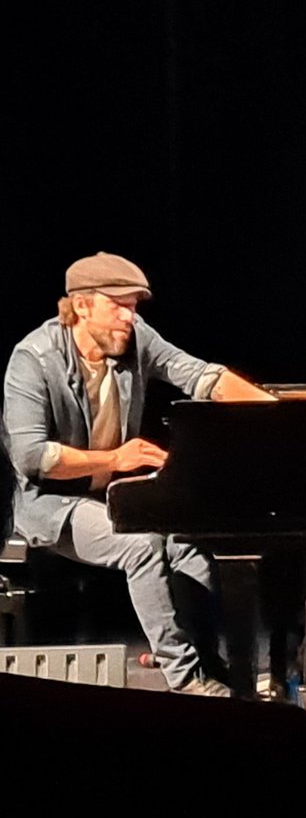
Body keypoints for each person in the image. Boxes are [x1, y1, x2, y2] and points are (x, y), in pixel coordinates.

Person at [2, 250, 274, 696]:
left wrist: (277, 416)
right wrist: (114, 460)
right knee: (142, 547)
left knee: (186, 536)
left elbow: (201, 376)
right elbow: (31, 457)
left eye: (134, 307)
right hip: (53, 505)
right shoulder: (33, 359)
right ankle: (184, 678)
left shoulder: (135, 338)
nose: (130, 317)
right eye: (119, 306)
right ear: (82, 305)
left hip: (118, 495)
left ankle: (210, 664)